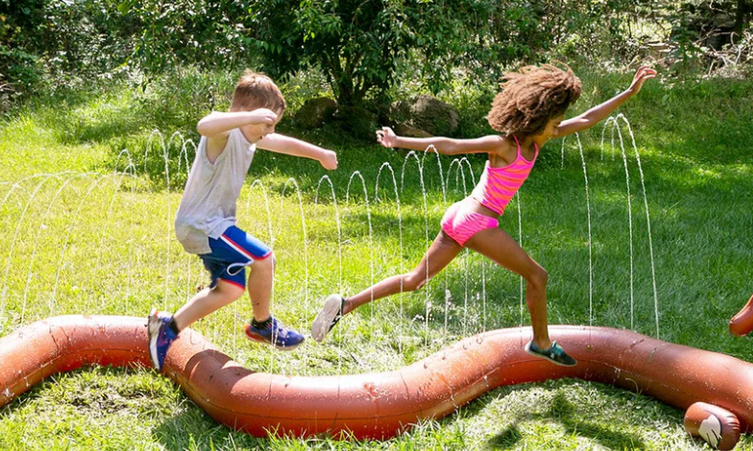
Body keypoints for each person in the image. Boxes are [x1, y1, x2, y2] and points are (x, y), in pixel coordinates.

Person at [310, 63, 657, 365]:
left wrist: (628, 91)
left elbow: (586, 119)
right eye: (553, 123)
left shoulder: (538, 139)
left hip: (459, 215)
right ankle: (541, 342)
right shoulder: (505, 144)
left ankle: (345, 304)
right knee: (537, 276)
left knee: (415, 280)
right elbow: (451, 145)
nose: (557, 128)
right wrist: (400, 142)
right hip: (476, 221)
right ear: (536, 118)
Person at [148, 70, 338, 371]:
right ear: (244, 116)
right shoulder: (222, 135)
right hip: (204, 224)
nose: (268, 131)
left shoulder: (250, 137)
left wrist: (321, 155)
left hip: (212, 226)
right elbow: (204, 124)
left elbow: (283, 144)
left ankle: (168, 327)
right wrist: (244, 118)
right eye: (267, 124)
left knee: (230, 289)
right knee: (264, 258)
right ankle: (262, 325)